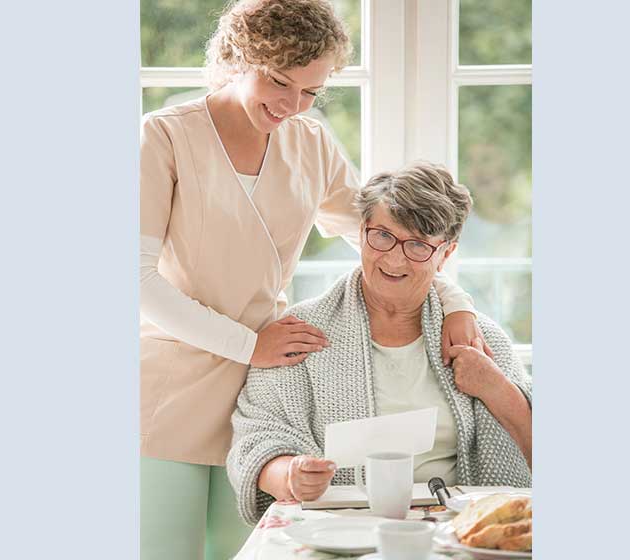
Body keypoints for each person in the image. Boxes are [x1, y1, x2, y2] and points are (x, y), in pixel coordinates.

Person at [140, 1, 486, 558]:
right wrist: (249, 345)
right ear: (237, 57)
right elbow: (136, 281)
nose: (291, 105)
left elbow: (384, 238)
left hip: (260, 398)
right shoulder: (165, 137)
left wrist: (457, 301)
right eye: (279, 82)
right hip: (169, 389)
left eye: (310, 92)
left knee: (259, 552)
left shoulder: (310, 141)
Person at [227, 162, 533, 525]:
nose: (394, 258)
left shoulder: (479, 340)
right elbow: (255, 438)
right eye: (383, 236)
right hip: (336, 526)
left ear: (445, 254)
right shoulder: (298, 335)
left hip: (457, 527)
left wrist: (495, 388)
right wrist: (289, 474)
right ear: (361, 231)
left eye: (417, 244)